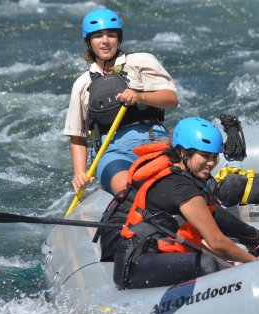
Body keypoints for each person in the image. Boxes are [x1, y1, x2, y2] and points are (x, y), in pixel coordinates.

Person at [113, 117, 259, 289]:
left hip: (151, 254)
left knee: (217, 260)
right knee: (208, 263)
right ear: (182, 153)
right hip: (136, 266)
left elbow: (213, 215)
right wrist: (255, 264)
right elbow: (216, 242)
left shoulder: (180, 173)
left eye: (214, 156)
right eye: (204, 155)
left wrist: (251, 237)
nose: (211, 163)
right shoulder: (180, 187)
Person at [64, 8, 179, 195]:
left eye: (111, 35)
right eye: (98, 36)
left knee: (169, 190)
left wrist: (140, 96)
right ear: (89, 42)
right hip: (112, 154)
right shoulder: (82, 84)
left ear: (119, 38)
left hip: (153, 142)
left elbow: (171, 99)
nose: (105, 41)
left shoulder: (141, 61)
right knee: (127, 192)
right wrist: (79, 173)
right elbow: (77, 136)